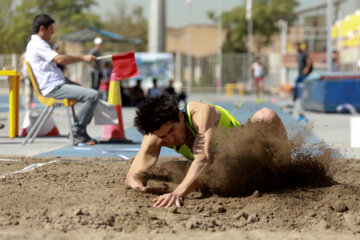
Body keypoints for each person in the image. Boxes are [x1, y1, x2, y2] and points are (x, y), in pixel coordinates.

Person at [125, 94, 288, 208]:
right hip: (222, 170)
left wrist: (177, 193)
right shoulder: (155, 135)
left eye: (172, 131)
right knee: (168, 168)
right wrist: (140, 188)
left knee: (266, 115)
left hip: (249, 155)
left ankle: (286, 167)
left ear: (180, 117)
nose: (170, 139)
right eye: (163, 136)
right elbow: (133, 175)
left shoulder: (201, 113)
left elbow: (203, 158)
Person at [25, 14, 100, 145]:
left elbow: (51, 70)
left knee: (90, 93)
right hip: (53, 89)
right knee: (93, 95)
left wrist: (70, 82)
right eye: (51, 29)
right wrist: (84, 58)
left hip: (58, 85)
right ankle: (78, 131)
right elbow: (59, 59)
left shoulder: (40, 44)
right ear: (42, 29)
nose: (53, 32)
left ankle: (79, 130)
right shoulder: (37, 44)